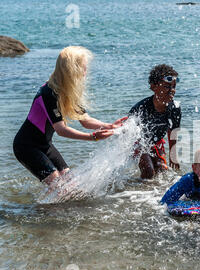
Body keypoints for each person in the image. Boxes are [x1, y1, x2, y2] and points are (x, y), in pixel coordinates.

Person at [13, 46, 127, 186]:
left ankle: (55, 207)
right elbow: (61, 130)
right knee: (57, 185)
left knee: (69, 183)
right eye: (83, 69)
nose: (85, 73)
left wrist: (109, 126)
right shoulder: (49, 93)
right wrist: (92, 137)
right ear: (72, 70)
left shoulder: (68, 91)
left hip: (45, 145)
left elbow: (86, 120)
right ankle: (42, 209)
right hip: (26, 146)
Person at [129, 64, 181, 179]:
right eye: (167, 87)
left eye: (173, 87)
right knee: (149, 170)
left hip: (156, 143)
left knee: (162, 170)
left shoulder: (175, 108)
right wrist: (141, 154)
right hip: (137, 143)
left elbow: (173, 132)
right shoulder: (141, 109)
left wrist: (173, 156)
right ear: (153, 87)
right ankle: (140, 194)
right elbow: (131, 135)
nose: (172, 90)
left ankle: (154, 194)